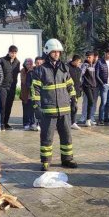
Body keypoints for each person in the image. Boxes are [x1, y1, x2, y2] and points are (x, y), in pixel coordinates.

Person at [31, 39, 77, 171]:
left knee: (67, 135)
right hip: (48, 110)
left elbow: (70, 85)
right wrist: (36, 106)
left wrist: (74, 100)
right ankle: (45, 161)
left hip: (64, 109)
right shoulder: (40, 70)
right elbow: (35, 89)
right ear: (48, 52)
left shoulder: (64, 68)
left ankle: (67, 159)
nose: (57, 54)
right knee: (46, 136)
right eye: (54, 51)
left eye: (58, 52)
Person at [0, 45, 20, 130]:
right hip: (3, 87)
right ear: (9, 52)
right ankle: (1, 123)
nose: (13, 54)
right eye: (12, 52)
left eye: (15, 53)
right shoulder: (2, 60)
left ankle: (6, 122)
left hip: (12, 87)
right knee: (2, 105)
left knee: (9, 106)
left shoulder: (17, 62)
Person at [96, 47, 109, 125]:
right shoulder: (100, 62)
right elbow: (96, 75)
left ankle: (106, 118)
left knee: (108, 103)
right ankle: (101, 119)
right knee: (103, 102)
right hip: (104, 85)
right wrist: (102, 84)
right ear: (105, 53)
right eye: (108, 53)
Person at [80, 51, 98, 127]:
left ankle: (90, 118)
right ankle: (87, 120)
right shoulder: (85, 65)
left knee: (92, 102)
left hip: (93, 86)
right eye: (87, 57)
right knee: (90, 101)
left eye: (89, 57)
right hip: (87, 86)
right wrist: (80, 83)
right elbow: (81, 73)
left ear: (93, 57)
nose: (88, 58)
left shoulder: (94, 65)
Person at [67, 55, 83, 130]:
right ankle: (69, 122)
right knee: (71, 107)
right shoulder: (67, 68)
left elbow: (79, 81)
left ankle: (73, 122)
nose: (80, 63)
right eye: (79, 62)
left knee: (74, 107)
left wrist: (80, 89)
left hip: (77, 91)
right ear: (75, 61)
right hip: (68, 92)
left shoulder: (79, 69)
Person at [19, 58, 35, 131]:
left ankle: (32, 123)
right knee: (26, 110)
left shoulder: (34, 70)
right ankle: (26, 124)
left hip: (32, 93)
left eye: (30, 64)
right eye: (27, 64)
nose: (29, 65)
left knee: (32, 110)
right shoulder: (23, 70)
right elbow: (23, 81)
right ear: (25, 64)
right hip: (25, 93)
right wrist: (29, 73)